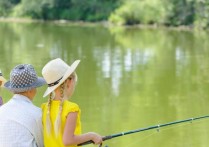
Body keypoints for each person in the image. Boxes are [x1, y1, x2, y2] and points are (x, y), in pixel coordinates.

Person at [41, 58, 103, 147]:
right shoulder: (71, 108)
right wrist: (91, 136)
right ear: (69, 81)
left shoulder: (45, 108)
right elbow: (67, 140)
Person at [0, 64, 46, 147]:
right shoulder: (36, 113)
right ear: (30, 90)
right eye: (35, 87)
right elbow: (42, 143)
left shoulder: (1, 110)